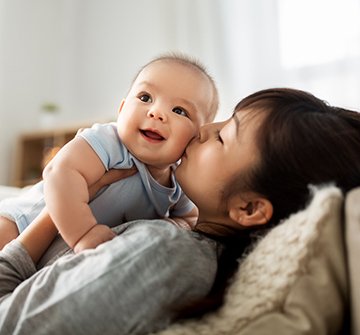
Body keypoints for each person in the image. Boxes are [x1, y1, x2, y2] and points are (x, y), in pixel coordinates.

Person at [0, 88, 360, 334]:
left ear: (248, 208)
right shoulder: (174, 229)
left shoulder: (163, 254)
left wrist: (49, 217)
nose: (203, 130)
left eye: (223, 137)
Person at [0, 53, 219, 252]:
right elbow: (60, 172)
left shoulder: (178, 181)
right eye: (145, 98)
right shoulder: (109, 142)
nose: (157, 113)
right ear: (122, 109)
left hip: (57, 250)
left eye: (179, 111)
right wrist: (84, 232)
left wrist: (174, 225)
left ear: (197, 137)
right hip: (23, 220)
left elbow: (190, 217)